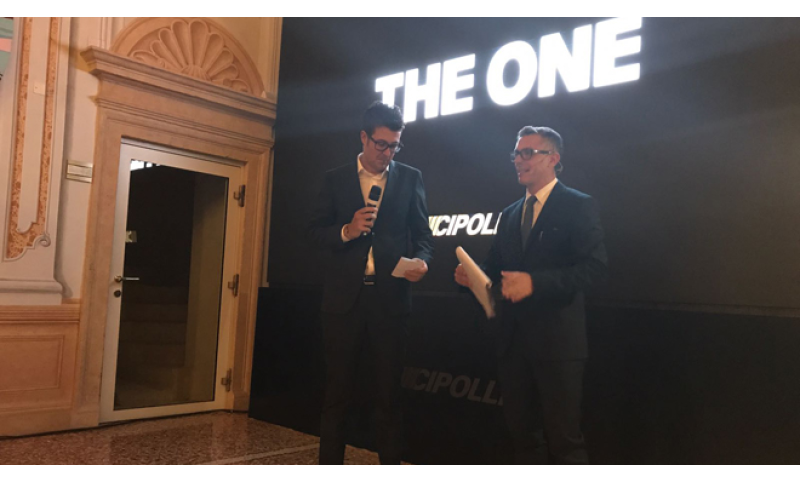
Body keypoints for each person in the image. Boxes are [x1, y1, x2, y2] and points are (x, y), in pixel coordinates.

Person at [455, 126, 607, 464]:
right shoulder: (510, 214)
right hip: (513, 344)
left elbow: (594, 268)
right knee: (523, 439)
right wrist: (471, 278)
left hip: (558, 346)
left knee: (565, 442)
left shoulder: (577, 205)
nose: (518, 160)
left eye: (528, 153)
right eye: (516, 153)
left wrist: (535, 283)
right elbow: (495, 267)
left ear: (553, 158)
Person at [307, 101, 434, 465]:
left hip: (390, 303)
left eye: (395, 146)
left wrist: (422, 262)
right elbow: (314, 233)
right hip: (343, 304)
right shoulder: (335, 179)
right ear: (363, 137)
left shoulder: (410, 178)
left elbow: (424, 237)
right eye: (381, 144)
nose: (387, 153)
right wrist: (347, 230)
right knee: (337, 396)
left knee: (389, 397)